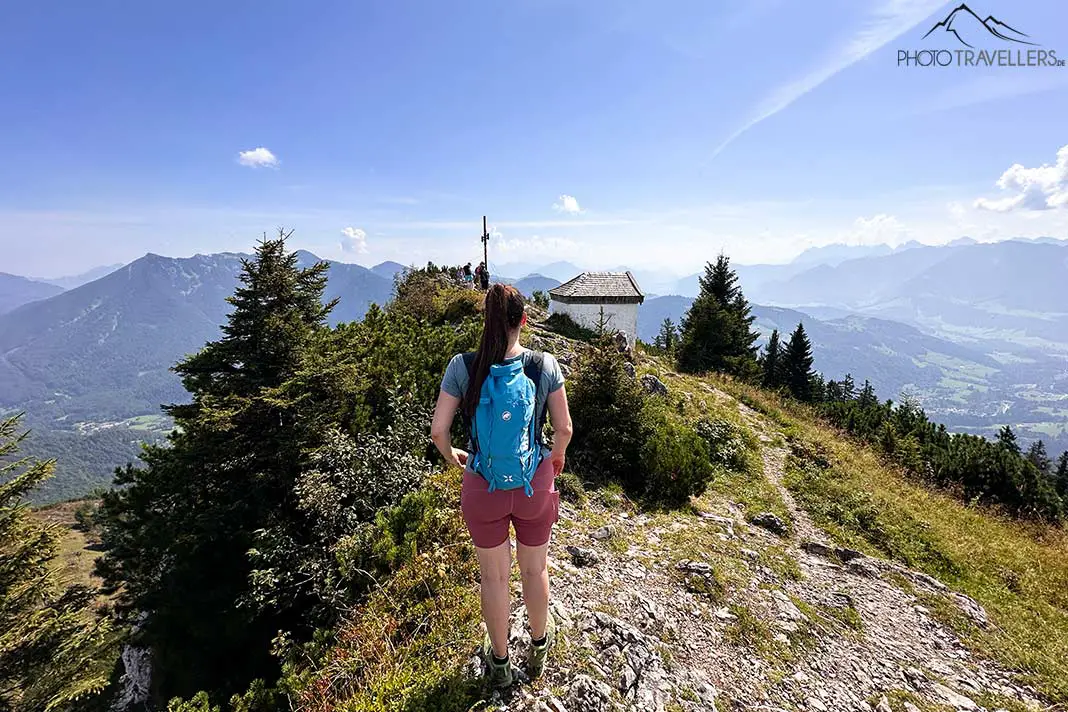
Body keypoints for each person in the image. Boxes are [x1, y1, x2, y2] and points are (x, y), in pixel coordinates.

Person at [430, 284, 572, 688]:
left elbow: (439, 430)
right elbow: (564, 428)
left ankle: (500, 662)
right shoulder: (544, 365)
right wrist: (555, 459)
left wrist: (454, 456)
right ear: (524, 320)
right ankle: (539, 648)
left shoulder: (463, 365)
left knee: (493, 579)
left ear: (486, 321)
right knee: (535, 569)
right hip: (535, 483)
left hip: (481, 485)